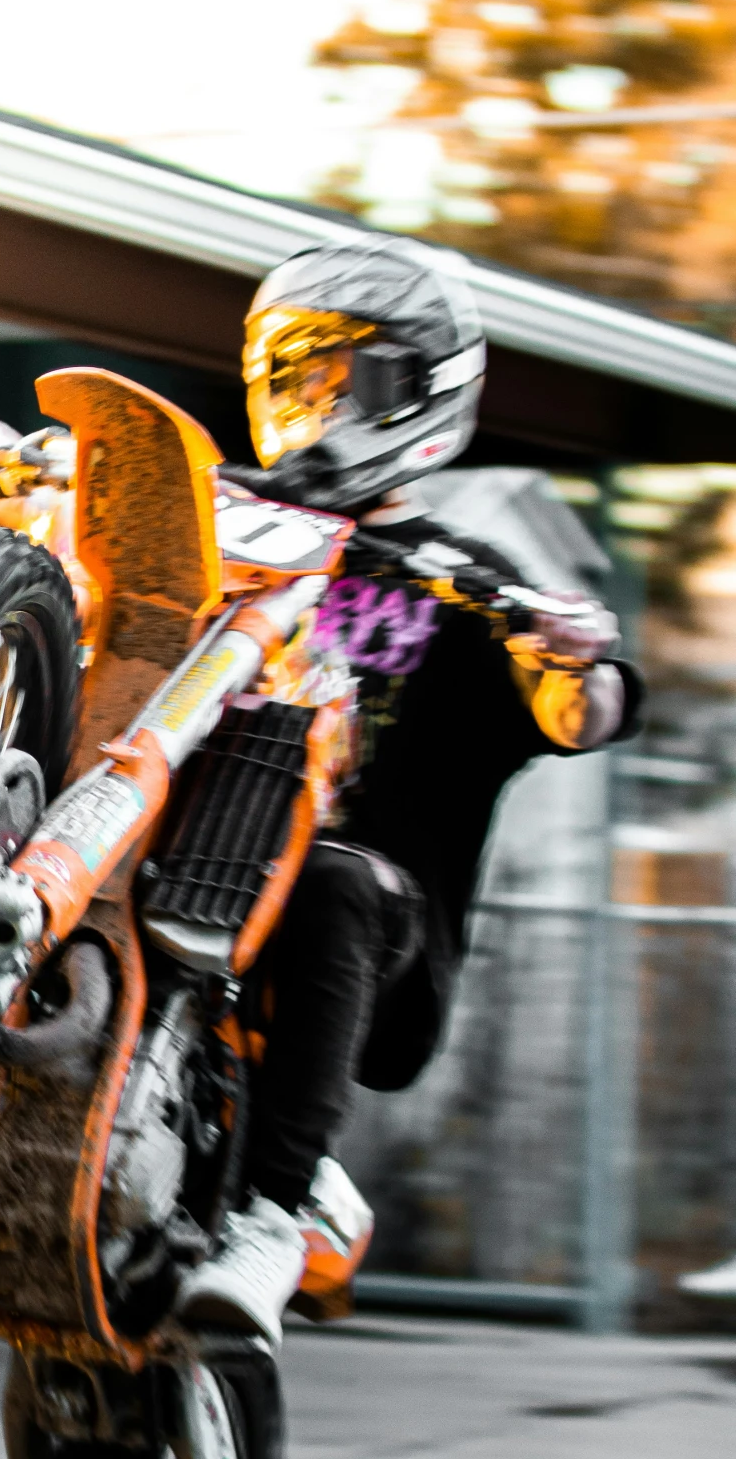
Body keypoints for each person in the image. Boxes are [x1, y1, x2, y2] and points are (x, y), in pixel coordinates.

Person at [174, 236, 643, 1348]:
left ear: (422, 391)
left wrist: (567, 658)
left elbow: (593, 708)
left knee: (331, 875)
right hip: (185, 883)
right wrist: (9, 460)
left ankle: (274, 1216)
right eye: (294, 373)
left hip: (371, 947)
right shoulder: (213, 523)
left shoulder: (465, 582)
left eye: (351, 376)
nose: (316, 401)